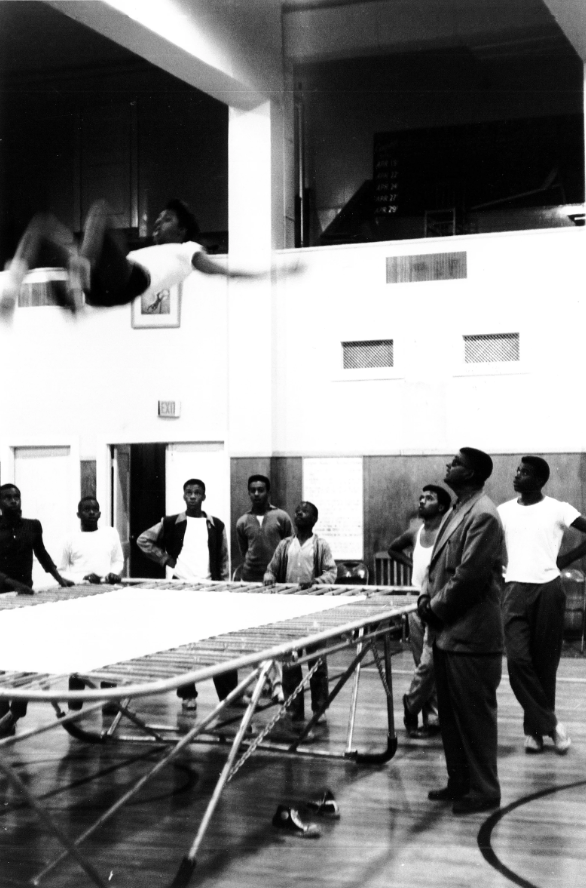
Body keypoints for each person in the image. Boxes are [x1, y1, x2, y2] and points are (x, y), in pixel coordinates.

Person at [0, 198, 300, 316]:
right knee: (41, 224)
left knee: (101, 211)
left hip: (128, 281)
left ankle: (76, 280)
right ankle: (10, 293)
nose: (158, 224)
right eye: (157, 220)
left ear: (182, 229)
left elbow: (222, 272)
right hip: (102, 291)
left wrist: (272, 273)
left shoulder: (187, 250)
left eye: (166, 219)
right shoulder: (147, 249)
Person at [418, 448, 504, 815]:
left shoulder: (484, 514)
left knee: (474, 718)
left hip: (470, 635)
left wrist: (433, 608)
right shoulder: (457, 509)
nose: (447, 467)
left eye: (454, 463)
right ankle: (459, 782)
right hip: (447, 633)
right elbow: (436, 568)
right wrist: (424, 598)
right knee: (451, 717)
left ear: (469, 474)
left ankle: (485, 790)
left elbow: (469, 577)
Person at [498, 456, 586, 755]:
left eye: (524, 472)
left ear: (539, 480)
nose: (517, 475)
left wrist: (565, 560)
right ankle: (552, 726)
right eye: (518, 470)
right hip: (514, 591)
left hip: (548, 590)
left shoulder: (558, 509)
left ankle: (534, 733)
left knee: (544, 666)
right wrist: (501, 572)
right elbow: (487, 544)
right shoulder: (503, 511)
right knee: (518, 662)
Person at [137, 478, 237, 713]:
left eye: (197, 493)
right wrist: (166, 559)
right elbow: (143, 540)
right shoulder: (171, 522)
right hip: (181, 589)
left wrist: (224, 588)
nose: (193, 496)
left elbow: (223, 559)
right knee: (184, 643)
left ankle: (228, 694)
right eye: (189, 493)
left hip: (210, 590)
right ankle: (187, 694)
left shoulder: (216, 525)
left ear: (204, 496)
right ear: (183, 496)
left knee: (219, 644)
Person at [0, 483, 74, 736]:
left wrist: (59, 578)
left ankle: (17, 711)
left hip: (25, 600)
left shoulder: (32, 525)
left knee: (27, 659)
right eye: (7, 498)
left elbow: (41, 553)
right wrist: (11, 583)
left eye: (16, 497)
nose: (13, 501)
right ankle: (3, 717)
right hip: (2, 599)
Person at [264, 501, 337, 724]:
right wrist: (269, 577)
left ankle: (320, 708)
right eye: (297, 511)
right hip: (289, 609)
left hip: (314, 610)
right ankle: (293, 708)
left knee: (316, 660)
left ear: (314, 519)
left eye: (305, 511)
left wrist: (315, 582)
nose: (299, 513)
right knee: (290, 661)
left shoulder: (321, 545)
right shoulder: (285, 545)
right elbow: (271, 569)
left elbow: (331, 572)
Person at [388, 484, 451, 738]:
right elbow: (393, 548)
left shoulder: (448, 531)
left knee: (430, 662)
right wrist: (410, 563)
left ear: (443, 506)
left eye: (430, 498)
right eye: (421, 497)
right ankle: (432, 719)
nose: (422, 500)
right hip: (415, 603)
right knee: (421, 663)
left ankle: (410, 704)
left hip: (438, 604)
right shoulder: (416, 532)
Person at [236, 474, 293, 700]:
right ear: (249, 493)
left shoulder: (281, 517)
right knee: (253, 636)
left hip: (276, 585)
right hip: (250, 583)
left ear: (268, 492)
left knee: (274, 636)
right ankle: (266, 680)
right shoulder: (242, 522)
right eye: (253, 490)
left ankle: (278, 683)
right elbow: (244, 552)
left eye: (261, 490)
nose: (257, 494)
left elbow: (289, 548)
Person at [59, 496, 124, 585]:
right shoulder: (69, 538)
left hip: (107, 588)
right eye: (86, 510)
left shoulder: (111, 533)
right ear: (78, 515)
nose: (92, 512)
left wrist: (113, 573)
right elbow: (60, 572)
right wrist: (83, 578)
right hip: (80, 590)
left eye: (95, 509)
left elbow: (118, 561)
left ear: (100, 514)